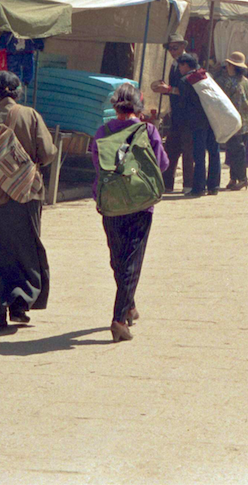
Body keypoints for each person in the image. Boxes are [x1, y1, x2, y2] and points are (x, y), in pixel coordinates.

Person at [0, 71, 57, 330]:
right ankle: (20, 305)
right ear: (17, 93)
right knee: (25, 252)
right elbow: (48, 153)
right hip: (25, 196)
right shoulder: (30, 115)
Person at [91, 84, 170, 342]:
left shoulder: (102, 133)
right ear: (139, 104)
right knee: (131, 261)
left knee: (118, 258)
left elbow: (97, 166)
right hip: (140, 203)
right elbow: (163, 164)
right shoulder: (148, 131)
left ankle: (130, 306)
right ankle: (119, 318)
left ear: (115, 106)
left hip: (110, 204)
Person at [155, 53, 221, 197]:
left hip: (197, 122)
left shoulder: (185, 80)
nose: (179, 69)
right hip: (212, 119)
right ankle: (214, 186)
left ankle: (198, 188)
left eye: (180, 66)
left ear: (185, 65)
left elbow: (183, 102)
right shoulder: (206, 75)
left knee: (198, 155)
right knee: (214, 152)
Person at [151, 34, 192, 193]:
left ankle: (189, 185)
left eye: (175, 48)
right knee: (171, 148)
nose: (172, 51)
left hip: (187, 113)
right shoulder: (174, 64)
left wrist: (168, 89)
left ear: (183, 46)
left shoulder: (188, 62)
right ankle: (167, 184)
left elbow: (187, 89)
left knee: (187, 150)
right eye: (169, 48)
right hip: (176, 112)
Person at [217, 51, 248, 191]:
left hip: (234, 121)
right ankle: (234, 178)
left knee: (236, 151)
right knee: (234, 150)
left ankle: (242, 178)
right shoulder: (246, 82)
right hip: (245, 121)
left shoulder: (231, 83)